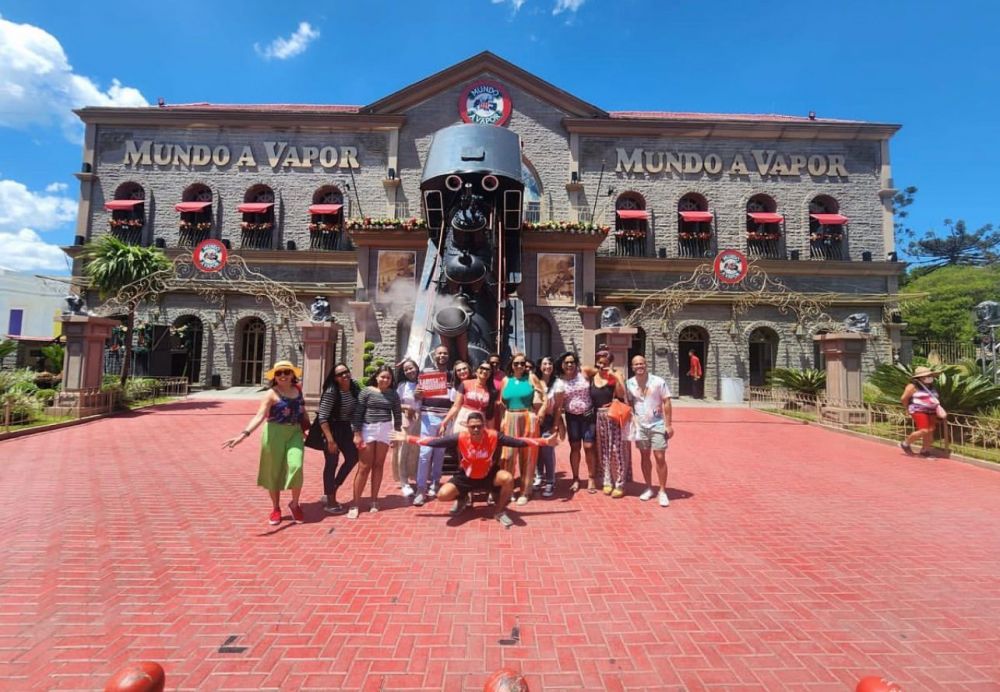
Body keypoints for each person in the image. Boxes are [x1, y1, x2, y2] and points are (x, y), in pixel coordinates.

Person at [391, 412, 558, 528]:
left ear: (483, 426)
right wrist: (408, 438)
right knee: (442, 495)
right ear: (467, 427)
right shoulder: (461, 437)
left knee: (507, 478)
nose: (476, 430)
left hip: (488, 475)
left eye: (479, 426)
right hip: (465, 477)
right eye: (473, 427)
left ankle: (499, 511)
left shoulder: (493, 435)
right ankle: (463, 498)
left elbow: (518, 441)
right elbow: (435, 442)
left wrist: (544, 442)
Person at [223, 360, 309, 525]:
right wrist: (243, 434)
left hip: (295, 432)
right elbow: (260, 415)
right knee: (273, 471)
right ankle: (276, 508)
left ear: (293, 374)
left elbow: (302, 409)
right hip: (274, 432)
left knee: (296, 466)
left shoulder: (298, 389)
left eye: (286, 372)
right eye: (278, 373)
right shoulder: (271, 394)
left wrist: (307, 429)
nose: (282, 376)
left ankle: (295, 504)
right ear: (274, 377)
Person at [349, 365, 403, 519]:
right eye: (383, 376)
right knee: (364, 467)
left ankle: (374, 500)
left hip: (385, 429)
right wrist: (357, 433)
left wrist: (396, 433)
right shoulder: (366, 392)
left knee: (378, 465)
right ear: (377, 377)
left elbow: (397, 414)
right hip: (368, 429)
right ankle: (355, 503)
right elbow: (358, 413)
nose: (385, 380)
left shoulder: (393, 394)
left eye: (388, 378)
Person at [625, 355, 674, 507]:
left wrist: (668, 424)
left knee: (659, 456)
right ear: (632, 367)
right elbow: (629, 403)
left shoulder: (658, 382)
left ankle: (662, 491)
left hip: (658, 424)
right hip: (641, 426)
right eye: (636, 364)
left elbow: (666, 401)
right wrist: (633, 419)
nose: (639, 366)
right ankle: (648, 487)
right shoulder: (629, 383)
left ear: (646, 365)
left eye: (642, 363)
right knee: (644, 456)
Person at [315, 362, 361, 514]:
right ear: (335, 378)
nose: (344, 375)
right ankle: (330, 500)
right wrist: (330, 441)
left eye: (346, 372)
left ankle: (333, 487)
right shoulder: (331, 391)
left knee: (353, 457)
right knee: (332, 462)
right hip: (330, 428)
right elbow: (322, 417)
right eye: (340, 374)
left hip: (345, 427)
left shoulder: (354, 386)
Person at [497, 353, 543, 505]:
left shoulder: (531, 378)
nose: (519, 366)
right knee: (508, 456)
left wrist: (538, 413)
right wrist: (504, 419)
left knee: (528, 455)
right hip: (510, 417)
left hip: (527, 416)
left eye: (522, 363)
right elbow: (501, 402)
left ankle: (525, 491)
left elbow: (543, 397)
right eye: (516, 363)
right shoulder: (505, 380)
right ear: (511, 365)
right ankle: (508, 489)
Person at [552, 351, 599, 493]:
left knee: (590, 446)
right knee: (575, 447)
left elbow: (603, 373)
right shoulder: (560, 380)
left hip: (589, 415)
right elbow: (558, 405)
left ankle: (591, 478)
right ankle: (576, 478)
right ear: (562, 364)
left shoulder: (584, 372)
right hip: (572, 418)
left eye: (572, 361)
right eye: (566, 362)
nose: (570, 364)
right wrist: (557, 424)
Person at [413, 345, 454, 506]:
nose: (442, 355)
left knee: (439, 454)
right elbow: (418, 395)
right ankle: (421, 489)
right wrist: (417, 394)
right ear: (434, 355)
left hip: (444, 417)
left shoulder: (451, 375)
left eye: (445, 353)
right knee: (425, 452)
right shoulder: (425, 373)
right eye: (439, 353)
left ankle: (436, 482)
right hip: (428, 416)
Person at [592, 350, 629, 498]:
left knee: (616, 450)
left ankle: (620, 483)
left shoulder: (616, 374)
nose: (602, 366)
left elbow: (621, 394)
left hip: (613, 416)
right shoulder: (593, 376)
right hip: (599, 416)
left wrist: (615, 377)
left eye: (605, 363)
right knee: (603, 450)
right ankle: (607, 480)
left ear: (610, 363)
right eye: (599, 362)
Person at [900, 366, 945, 457]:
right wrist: (907, 409)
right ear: (919, 377)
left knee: (930, 430)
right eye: (926, 376)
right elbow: (904, 398)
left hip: (931, 411)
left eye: (930, 375)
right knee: (924, 430)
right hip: (918, 410)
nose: (929, 377)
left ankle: (925, 450)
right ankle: (906, 443)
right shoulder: (912, 386)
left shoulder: (931, 387)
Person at [441, 360, 496, 434]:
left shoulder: (491, 390)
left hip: (479, 424)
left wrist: (491, 432)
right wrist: (444, 423)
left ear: (490, 373)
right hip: (463, 421)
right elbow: (456, 406)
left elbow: (490, 414)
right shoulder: (465, 384)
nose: (484, 371)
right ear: (477, 370)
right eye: (482, 368)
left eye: (487, 369)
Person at [394, 358, 421, 498]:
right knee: (403, 449)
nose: (410, 371)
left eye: (411, 368)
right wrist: (406, 407)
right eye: (406, 369)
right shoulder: (402, 386)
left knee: (416, 449)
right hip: (406, 417)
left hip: (422, 419)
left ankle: (415, 477)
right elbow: (395, 403)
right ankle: (404, 482)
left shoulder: (424, 383)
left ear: (417, 367)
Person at [534, 356, 558, 497]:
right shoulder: (535, 381)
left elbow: (558, 407)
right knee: (536, 450)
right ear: (540, 366)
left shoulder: (558, 383)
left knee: (547, 451)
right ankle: (539, 476)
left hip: (549, 420)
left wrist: (555, 425)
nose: (547, 366)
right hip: (535, 420)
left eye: (550, 363)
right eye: (544, 363)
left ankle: (550, 481)